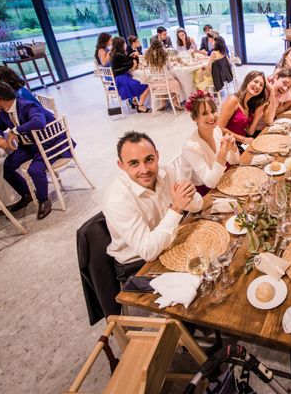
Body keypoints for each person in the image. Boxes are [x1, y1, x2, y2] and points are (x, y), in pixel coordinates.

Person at [103, 131, 203, 280]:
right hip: (137, 265)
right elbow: (148, 252)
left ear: (157, 155)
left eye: (149, 159)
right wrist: (176, 208)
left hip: (169, 243)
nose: (144, 170)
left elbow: (198, 205)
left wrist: (189, 194)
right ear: (121, 165)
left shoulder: (166, 171)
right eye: (134, 163)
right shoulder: (117, 199)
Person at [0, 81, 68, 220]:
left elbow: (39, 122)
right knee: (7, 166)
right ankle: (26, 194)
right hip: (30, 145)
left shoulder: (27, 105)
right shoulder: (5, 112)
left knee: (35, 170)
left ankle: (44, 200)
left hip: (50, 143)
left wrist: (15, 130)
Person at [181, 91, 240, 196]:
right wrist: (223, 152)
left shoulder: (216, 130)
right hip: (200, 195)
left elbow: (235, 161)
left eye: (213, 111)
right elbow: (210, 183)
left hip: (220, 179)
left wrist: (233, 148)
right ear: (195, 119)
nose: (212, 117)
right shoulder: (191, 147)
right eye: (204, 113)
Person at [217, 70, 270, 145]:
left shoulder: (249, 104)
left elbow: (250, 132)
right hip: (228, 145)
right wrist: (243, 139)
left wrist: (258, 112)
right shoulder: (233, 100)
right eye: (255, 82)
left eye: (261, 85)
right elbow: (219, 128)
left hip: (240, 144)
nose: (258, 86)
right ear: (247, 81)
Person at [110, 36, 151, 113]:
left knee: (138, 79)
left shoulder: (115, 54)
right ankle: (141, 105)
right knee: (147, 85)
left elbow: (126, 60)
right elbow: (130, 65)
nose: (126, 45)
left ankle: (135, 102)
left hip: (119, 78)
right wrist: (135, 57)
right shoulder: (119, 55)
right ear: (120, 45)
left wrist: (131, 56)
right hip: (122, 79)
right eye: (124, 43)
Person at [144, 39, 183, 110]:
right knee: (176, 83)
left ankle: (163, 102)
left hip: (154, 84)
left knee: (162, 83)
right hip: (166, 83)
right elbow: (169, 67)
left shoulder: (149, 56)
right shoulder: (164, 55)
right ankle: (175, 102)